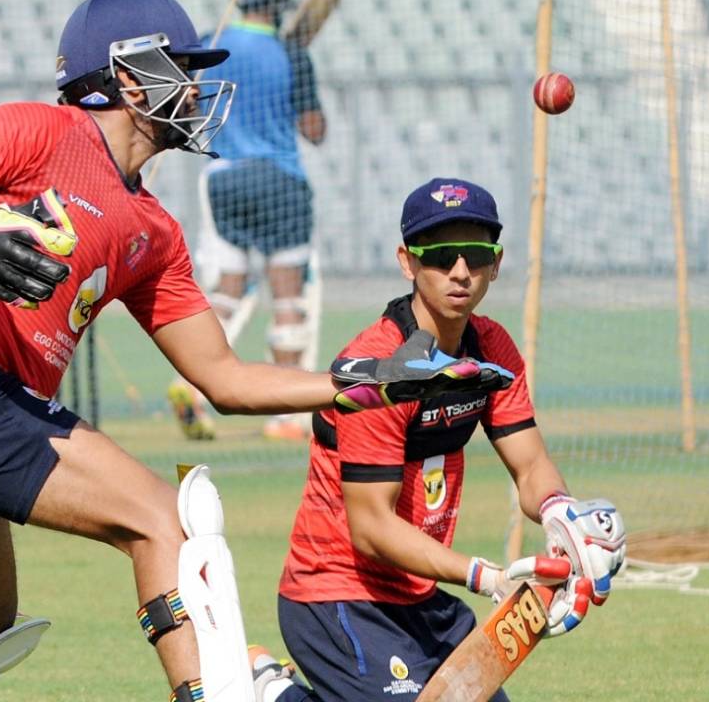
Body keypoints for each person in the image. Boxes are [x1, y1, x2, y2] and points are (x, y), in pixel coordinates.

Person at [0, 0, 501, 700]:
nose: (196, 88)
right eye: (182, 67)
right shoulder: (44, 130)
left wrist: (368, 378)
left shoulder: (153, 232)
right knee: (168, 523)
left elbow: (224, 379)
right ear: (130, 76)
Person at [252, 179, 628, 702]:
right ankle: (267, 694)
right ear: (408, 262)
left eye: (475, 255)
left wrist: (561, 512)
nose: (460, 272)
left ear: (495, 264)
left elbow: (530, 464)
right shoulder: (376, 368)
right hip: (336, 595)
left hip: (418, 592)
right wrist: (485, 576)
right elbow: (371, 529)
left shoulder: (492, 348)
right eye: (440, 256)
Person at [168, 0, 327, 442]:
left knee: (227, 288)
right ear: (278, 4)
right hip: (279, 177)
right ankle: (286, 418)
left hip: (224, 179)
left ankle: (189, 383)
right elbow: (313, 129)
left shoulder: (210, 41)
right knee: (289, 298)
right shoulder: (290, 52)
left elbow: (187, 108)